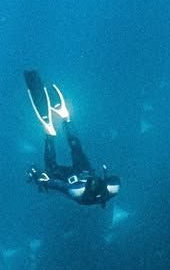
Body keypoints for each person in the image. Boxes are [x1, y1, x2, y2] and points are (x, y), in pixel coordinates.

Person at [25, 70, 121, 207]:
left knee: (76, 148)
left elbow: (57, 185)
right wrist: (41, 179)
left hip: (84, 172)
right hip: (78, 177)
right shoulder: (77, 192)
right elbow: (56, 184)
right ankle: (50, 133)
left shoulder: (109, 189)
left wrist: (41, 180)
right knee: (52, 167)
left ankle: (65, 119)